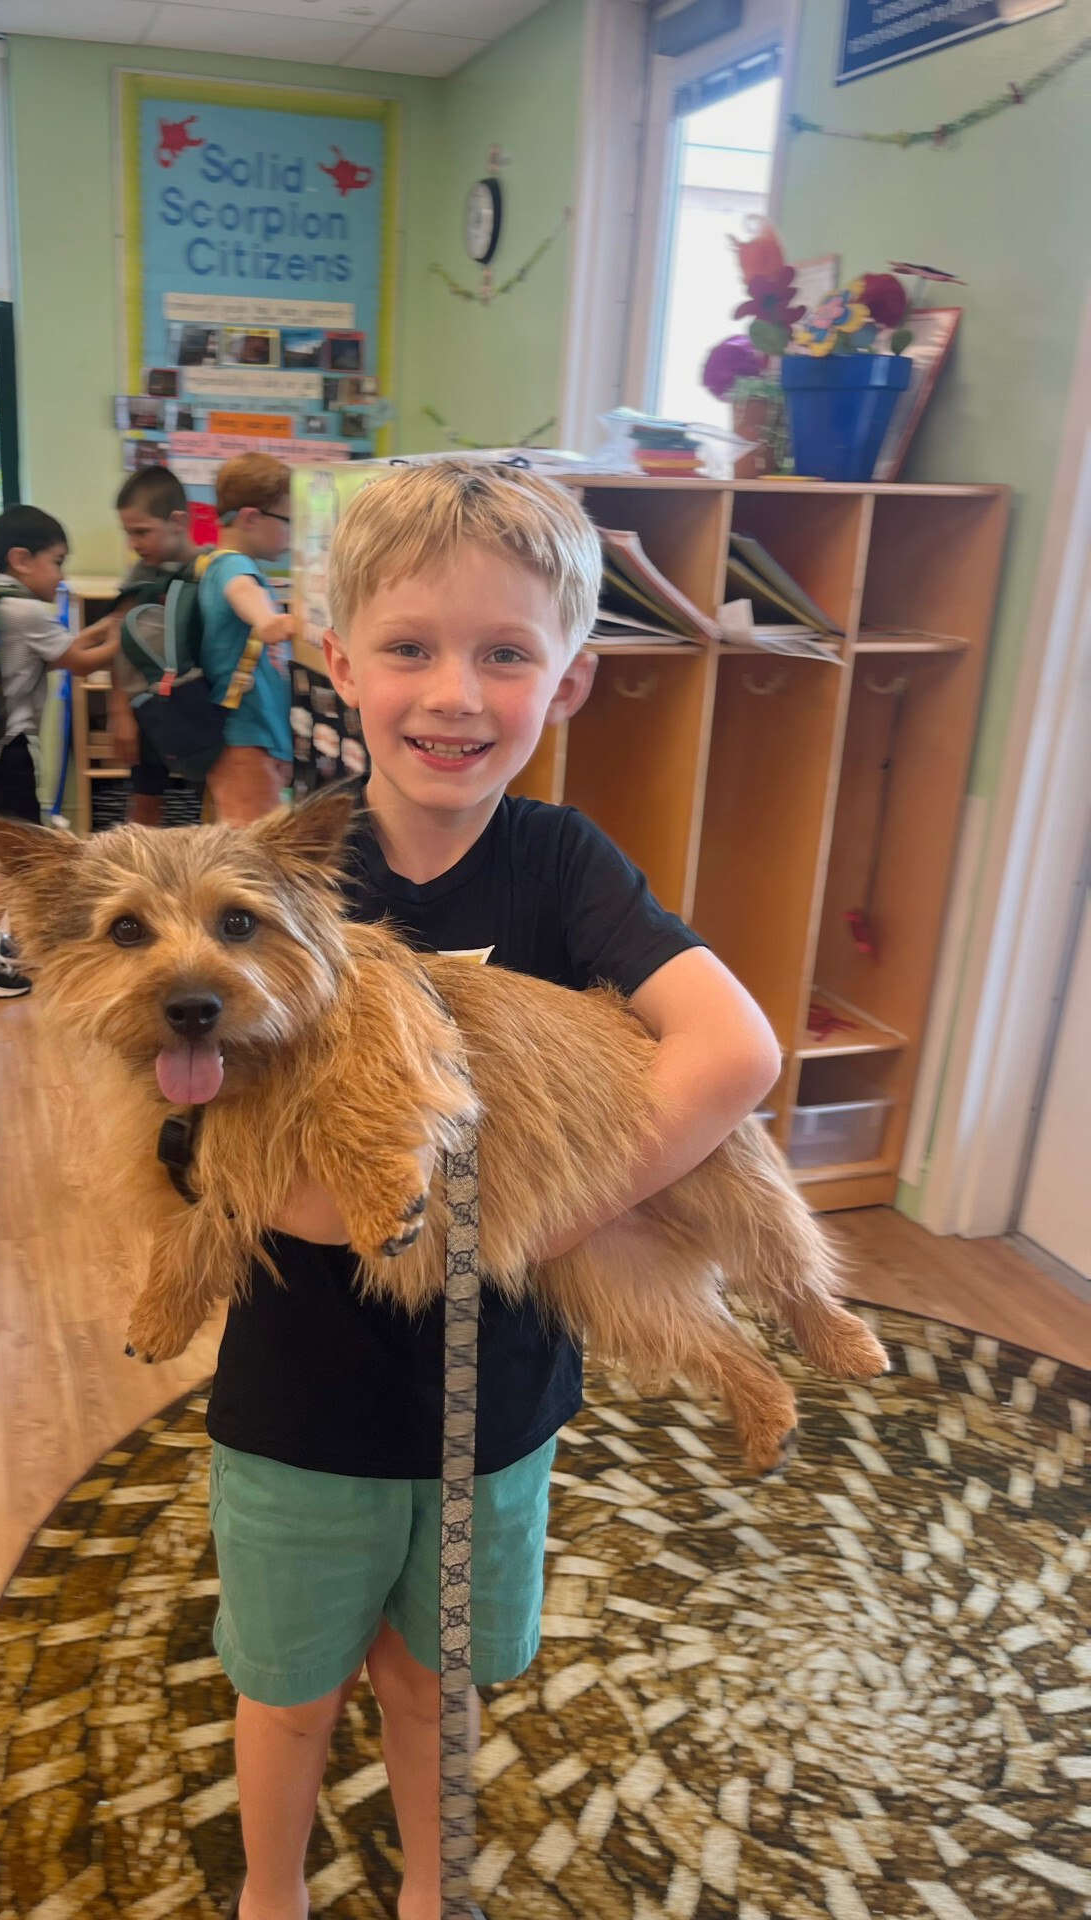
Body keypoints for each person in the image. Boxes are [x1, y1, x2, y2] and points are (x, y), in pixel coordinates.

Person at [204, 461, 782, 1920]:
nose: (455, 695)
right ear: (340, 662)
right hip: (303, 1403)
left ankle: (428, 1890)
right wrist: (328, 1204)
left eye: (506, 654)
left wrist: (536, 1213)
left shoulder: (563, 864)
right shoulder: (277, 873)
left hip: (496, 1400)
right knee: (289, 1696)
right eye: (410, 647)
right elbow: (197, 1121)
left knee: (432, 1681)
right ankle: (270, 1895)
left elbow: (734, 1050)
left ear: (567, 682)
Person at [0, 505, 124, 998]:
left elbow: (65, 649)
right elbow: (81, 663)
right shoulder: (26, 613)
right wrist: (128, 634)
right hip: (8, 754)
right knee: (16, 861)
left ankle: (17, 942)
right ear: (22, 559)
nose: (61, 575)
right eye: (57, 561)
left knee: (17, 852)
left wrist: (108, 624)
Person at [197, 452, 297, 827]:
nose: (292, 534)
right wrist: (266, 619)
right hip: (245, 737)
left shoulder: (226, 563)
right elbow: (241, 591)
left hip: (255, 736)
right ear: (251, 518)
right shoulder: (232, 564)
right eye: (287, 521)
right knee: (254, 844)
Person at [106, 466, 208, 828]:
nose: (133, 543)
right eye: (128, 533)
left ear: (177, 521)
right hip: (146, 710)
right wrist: (120, 713)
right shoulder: (138, 576)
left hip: (199, 711)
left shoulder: (209, 571)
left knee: (212, 807)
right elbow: (119, 647)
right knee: (144, 806)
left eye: (141, 531)